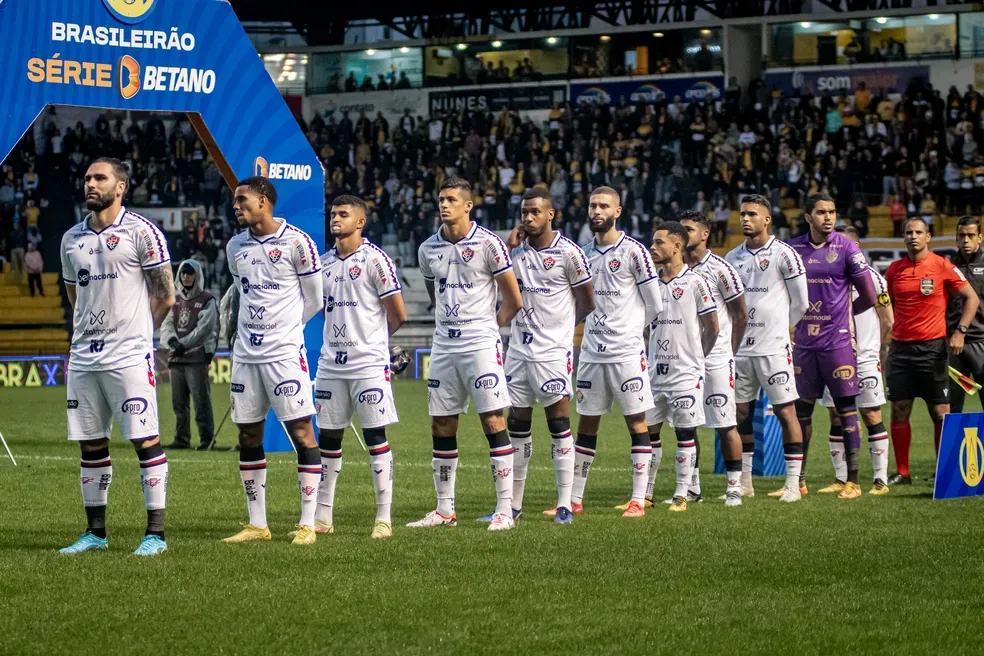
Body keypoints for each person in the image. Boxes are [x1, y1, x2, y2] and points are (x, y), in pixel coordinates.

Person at [58, 157, 176, 556]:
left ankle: (155, 535)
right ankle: (95, 533)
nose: (91, 183)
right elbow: (75, 297)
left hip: (128, 356)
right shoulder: (71, 238)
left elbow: (165, 295)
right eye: (88, 178)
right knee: (90, 445)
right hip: (84, 357)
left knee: (146, 440)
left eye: (100, 178)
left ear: (120, 186)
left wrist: (140, 333)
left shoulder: (143, 233)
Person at [407, 177, 523, 531]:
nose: (444, 205)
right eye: (441, 199)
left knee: (493, 420)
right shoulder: (428, 248)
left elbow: (513, 300)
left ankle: (505, 509)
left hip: (480, 344)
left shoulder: (490, 244)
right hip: (444, 344)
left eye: (452, 200)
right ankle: (444, 510)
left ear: (468, 205)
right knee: (442, 422)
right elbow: (433, 291)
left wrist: (488, 329)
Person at [476, 188, 594, 525]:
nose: (528, 218)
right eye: (524, 212)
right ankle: (513, 505)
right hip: (518, 351)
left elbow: (587, 300)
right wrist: (509, 246)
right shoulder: (513, 253)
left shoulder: (569, 254)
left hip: (553, 353)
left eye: (534, 212)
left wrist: (561, 331)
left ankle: (564, 504)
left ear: (550, 214)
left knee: (558, 423)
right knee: (518, 425)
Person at [222, 176, 325, 545]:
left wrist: (286, 331)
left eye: (242, 199)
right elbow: (242, 292)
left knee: (301, 432)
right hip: (245, 356)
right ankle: (257, 524)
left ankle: (307, 524)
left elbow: (314, 299)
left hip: (283, 355)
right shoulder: (236, 246)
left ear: (264, 200)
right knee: (248, 432)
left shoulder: (298, 242)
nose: (236, 206)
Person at [313, 195, 408, 540]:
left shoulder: (375, 260)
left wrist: (375, 343)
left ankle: (383, 518)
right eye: (333, 214)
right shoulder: (322, 263)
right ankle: (323, 517)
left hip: (368, 365)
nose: (335, 219)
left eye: (343, 214)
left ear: (360, 222)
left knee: (375, 437)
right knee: (329, 438)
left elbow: (398, 313)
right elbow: (323, 310)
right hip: (331, 366)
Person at [569, 186, 663, 518]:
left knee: (637, 422)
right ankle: (574, 500)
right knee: (586, 424)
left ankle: (638, 499)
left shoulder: (636, 252)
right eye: (593, 206)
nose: (596, 211)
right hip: (592, 352)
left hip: (626, 353)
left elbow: (656, 303)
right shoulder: (581, 254)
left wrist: (631, 331)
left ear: (617, 211)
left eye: (603, 206)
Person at [787, 193, 877, 499]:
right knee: (802, 414)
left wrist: (845, 315)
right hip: (802, 344)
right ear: (808, 217)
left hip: (837, 343)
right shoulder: (792, 249)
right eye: (822, 212)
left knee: (846, 411)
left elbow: (869, 296)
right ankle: (797, 480)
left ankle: (853, 481)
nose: (828, 217)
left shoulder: (847, 247)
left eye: (832, 211)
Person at [725, 194, 809, 502]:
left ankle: (791, 484)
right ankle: (745, 481)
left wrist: (781, 330)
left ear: (767, 219)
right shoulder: (733, 257)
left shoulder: (784, 255)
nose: (745, 219)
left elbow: (801, 302)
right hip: (742, 351)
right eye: (742, 213)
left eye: (752, 214)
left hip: (773, 349)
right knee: (741, 413)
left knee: (787, 412)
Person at [884, 217, 978, 485]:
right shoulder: (894, 270)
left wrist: (960, 331)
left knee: (940, 411)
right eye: (908, 232)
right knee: (899, 409)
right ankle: (903, 473)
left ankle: (943, 471)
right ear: (903, 237)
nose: (913, 236)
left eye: (918, 232)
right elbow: (890, 303)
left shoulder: (942, 266)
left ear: (928, 236)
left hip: (933, 349)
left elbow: (971, 297)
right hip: (901, 350)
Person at [642, 222, 719, 512]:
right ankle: (646, 494)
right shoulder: (649, 282)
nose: (653, 247)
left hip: (685, 374)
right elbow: (648, 325)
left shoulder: (696, 282)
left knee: (684, 434)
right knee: (648, 435)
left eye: (659, 242)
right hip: (654, 374)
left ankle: (681, 495)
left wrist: (698, 356)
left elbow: (713, 326)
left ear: (677, 246)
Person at [676, 209, 749, 506]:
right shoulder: (673, 268)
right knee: (685, 425)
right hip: (684, 359)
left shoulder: (720, 269)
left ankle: (734, 486)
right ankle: (692, 488)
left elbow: (741, 315)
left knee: (725, 423)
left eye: (689, 230)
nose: (682, 235)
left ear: (705, 234)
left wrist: (729, 350)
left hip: (717, 358)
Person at [819, 225, 894, 494]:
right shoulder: (827, 278)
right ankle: (841, 479)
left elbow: (888, 320)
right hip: (833, 356)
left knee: (871, 414)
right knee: (835, 416)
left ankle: (880, 480)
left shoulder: (873, 278)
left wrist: (880, 351)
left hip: (864, 358)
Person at [160, 259, 218, 451]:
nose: (186, 276)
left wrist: (181, 345)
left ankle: (207, 439)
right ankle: (181, 439)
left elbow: (205, 330)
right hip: (177, 359)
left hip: (196, 358)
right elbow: (167, 325)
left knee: (201, 402)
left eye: (190, 273)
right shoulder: (175, 301)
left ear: (197, 275)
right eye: (183, 273)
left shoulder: (207, 300)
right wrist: (172, 342)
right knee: (179, 404)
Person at [946, 215, 984, 413]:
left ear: (980, 238)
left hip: (981, 341)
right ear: (956, 238)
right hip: (953, 344)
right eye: (962, 235)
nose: (966, 240)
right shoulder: (947, 266)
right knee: (952, 405)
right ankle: (954, 445)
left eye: (971, 235)